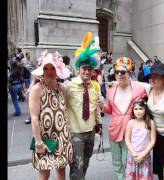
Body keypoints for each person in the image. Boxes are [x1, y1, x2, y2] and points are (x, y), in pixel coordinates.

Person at [29, 50, 73, 180]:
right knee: (44, 172)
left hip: (61, 137)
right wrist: (38, 141)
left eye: (52, 68)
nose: (49, 71)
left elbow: (68, 107)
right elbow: (34, 117)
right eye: (46, 68)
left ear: (57, 70)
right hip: (45, 138)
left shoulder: (62, 88)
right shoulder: (37, 90)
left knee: (61, 170)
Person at [65, 34, 104, 180]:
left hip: (91, 132)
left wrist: (99, 124)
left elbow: (96, 109)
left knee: (85, 164)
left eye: (90, 69)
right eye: (84, 68)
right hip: (75, 133)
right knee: (77, 167)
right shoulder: (69, 86)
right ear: (78, 69)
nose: (87, 71)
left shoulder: (95, 86)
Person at [103, 57, 147, 180]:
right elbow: (109, 109)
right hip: (114, 129)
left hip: (131, 131)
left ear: (129, 72)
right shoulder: (111, 89)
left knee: (128, 161)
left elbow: (152, 90)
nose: (120, 74)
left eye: (123, 72)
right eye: (117, 72)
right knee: (116, 162)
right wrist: (101, 105)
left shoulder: (138, 87)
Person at [146, 60, 164, 180]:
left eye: (156, 77)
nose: (152, 80)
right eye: (151, 77)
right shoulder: (150, 90)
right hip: (154, 136)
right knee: (158, 167)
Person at [125, 99, 156, 180]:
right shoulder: (130, 123)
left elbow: (153, 141)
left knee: (145, 177)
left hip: (145, 156)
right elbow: (127, 140)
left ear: (145, 110)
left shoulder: (150, 123)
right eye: (136, 109)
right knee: (132, 176)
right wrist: (134, 153)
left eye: (141, 109)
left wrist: (143, 155)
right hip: (132, 156)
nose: (138, 111)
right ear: (133, 110)